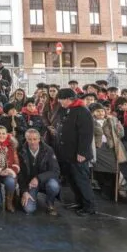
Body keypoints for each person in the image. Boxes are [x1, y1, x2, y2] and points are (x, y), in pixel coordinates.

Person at [56, 88, 95, 216]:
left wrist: (82, 153)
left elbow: (86, 134)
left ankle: (89, 206)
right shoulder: (68, 109)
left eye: (61, 99)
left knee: (81, 180)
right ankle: (80, 202)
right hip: (68, 153)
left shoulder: (82, 111)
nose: (59, 102)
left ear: (68, 99)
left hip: (78, 154)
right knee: (73, 179)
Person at [17, 128, 61, 215]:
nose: (32, 142)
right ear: (26, 139)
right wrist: (24, 191)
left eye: (35, 139)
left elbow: (55, 171)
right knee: (29, 209)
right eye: (29, 139)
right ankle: (30, 196)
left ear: (39, 139)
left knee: (54, 185)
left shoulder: (48, 150)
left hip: (45, 181)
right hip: (30, 184)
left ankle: (50, 203)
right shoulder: (20, 151)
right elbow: (20, 174)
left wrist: (38, 178)